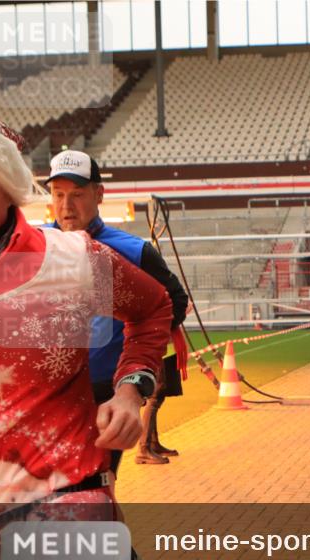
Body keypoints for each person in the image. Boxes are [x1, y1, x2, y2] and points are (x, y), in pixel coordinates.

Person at [0, 105, 172, 560]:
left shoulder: (73, 261)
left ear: (6, 189)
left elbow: (154, 308)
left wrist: (131, 389)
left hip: (66, 494)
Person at [46, 150, 190, 466]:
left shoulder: (134, 251)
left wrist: (133, 349)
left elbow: (174, 302)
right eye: (58, 195)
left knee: (96, 488)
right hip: (46, 396)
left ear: (99, 195)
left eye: (78, 195)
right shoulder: (33, 244)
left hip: (104, 395)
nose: (67, 206)